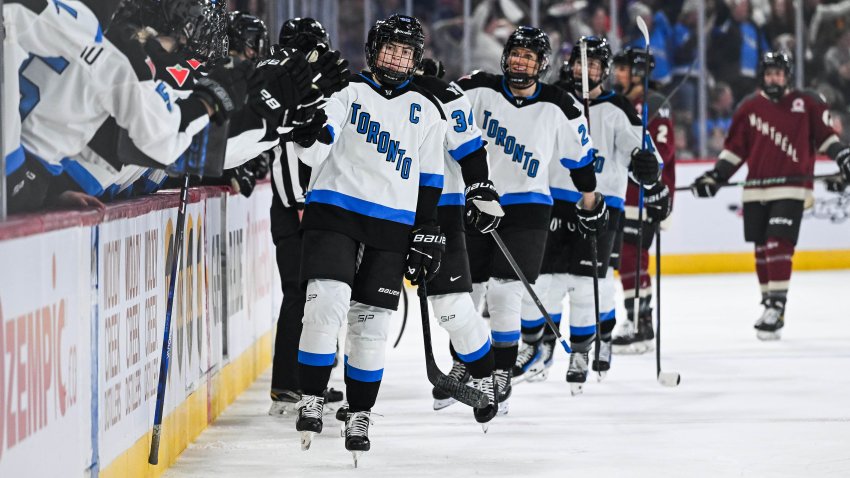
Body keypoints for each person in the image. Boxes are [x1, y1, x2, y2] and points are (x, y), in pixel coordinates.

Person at [291, 15, 446, 463]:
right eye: (390, 49)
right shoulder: (347, 92)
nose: (397, 59)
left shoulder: (427, 110)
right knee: (325, 305)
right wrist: (309, 130)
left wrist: (428, 230)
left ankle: (359, 412)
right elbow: (315, 145)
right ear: (374, 50)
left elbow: (431, 180)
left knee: (370, 327)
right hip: (335, 211)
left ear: (416, 60)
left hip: (392, 226)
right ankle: (312, 397)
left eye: (406, 52)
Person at [455, 26, 602, 412]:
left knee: (505, 293)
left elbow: (580, 160)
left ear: (542, 65)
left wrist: (590, 201)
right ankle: (464, 361)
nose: (520, 61)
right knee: (468, 293)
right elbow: (439, 115)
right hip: (477, 200)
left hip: (529, 207)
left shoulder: (560, 105)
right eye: (516, 53)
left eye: (529, 57)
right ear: (505, 57)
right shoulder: (477, 88)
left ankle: (501, 371)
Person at [513, 37, 660, 395]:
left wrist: (646, 166)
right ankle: (539, 344)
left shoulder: (619, 108)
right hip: (550, 201)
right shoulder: (552, 100)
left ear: (604, 70)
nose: (585, 69)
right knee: (542, 281)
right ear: (569, 65)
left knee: (586, 286)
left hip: (600, 206)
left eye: (594, 64)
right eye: (581, 63)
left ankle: (583, 349)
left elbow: (646, 157)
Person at [691, 51, 850, 340]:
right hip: (756, 189)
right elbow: (735, 149)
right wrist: (716, 176)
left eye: (779, 73)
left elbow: (826, 136)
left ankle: (777, 305)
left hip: (791, 187)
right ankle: (768, 304)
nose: (774, 78)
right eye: (769, 73)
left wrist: (842, 157)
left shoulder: (807, 102)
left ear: (787, 76)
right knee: (762, 248)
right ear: (762, 76)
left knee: (778, 242)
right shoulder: (749, 107)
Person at [266, 17, 348, 417]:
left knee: (318, 294)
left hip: (308, 208)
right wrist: (301, 203)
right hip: (295, 210)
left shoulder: (313, 89)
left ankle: (310, 379)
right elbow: (286, 158)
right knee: (300, 296)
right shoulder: (283, 85)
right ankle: (288, 384)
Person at [609, 46, 676, 354]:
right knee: (627, 259)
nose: (616, 73)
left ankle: (641, 323)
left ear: (638, 73)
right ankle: (640, 321)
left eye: (623, 68)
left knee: (632, 258)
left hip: (645, 196)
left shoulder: (654, 103)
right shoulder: (622, 103)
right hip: (624, 194)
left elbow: (664, 150)